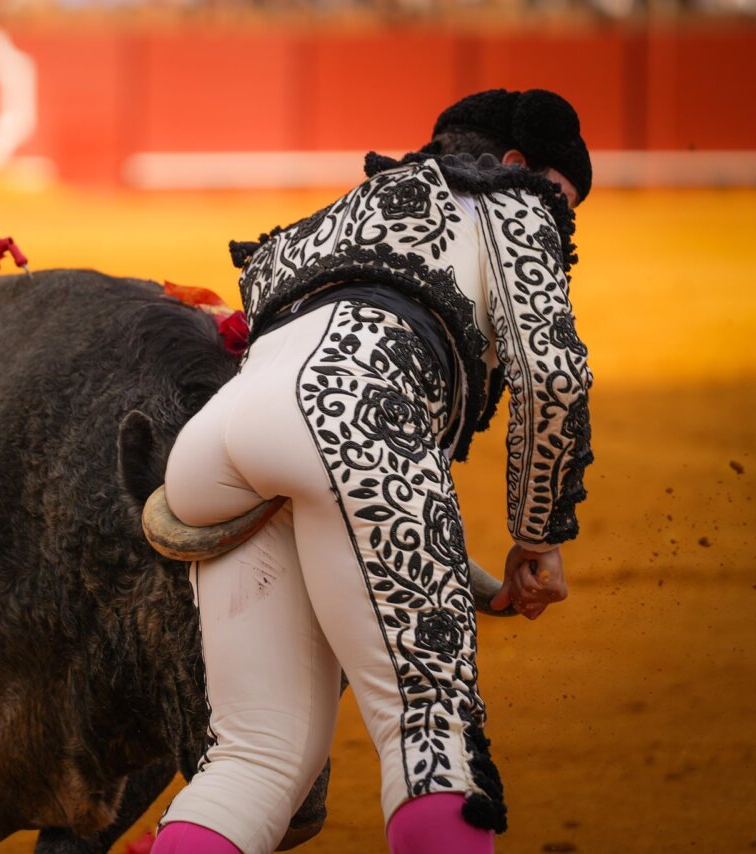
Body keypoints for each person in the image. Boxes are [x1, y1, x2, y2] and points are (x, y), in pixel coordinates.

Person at [151, 89, 594, 854]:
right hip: (351, 420)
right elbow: (551, 377)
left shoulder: (328, 219)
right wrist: (538, 534)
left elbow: (314, 447)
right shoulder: (511, 203)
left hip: (216, 447)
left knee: (256, 755)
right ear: (516, 166)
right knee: (430, 728)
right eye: (564, 198)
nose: (564, 223)